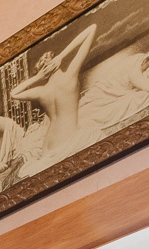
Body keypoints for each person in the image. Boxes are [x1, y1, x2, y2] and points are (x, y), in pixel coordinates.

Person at [8, 23, 99, 167]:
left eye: (47, 59)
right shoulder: (67, 77)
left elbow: (14, 94)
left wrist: (39, 76)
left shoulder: (44, 90)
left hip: (50, 146)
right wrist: (60, 57)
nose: (46, 62)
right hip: (65, 141)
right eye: (44, 63)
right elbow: (92, 29)